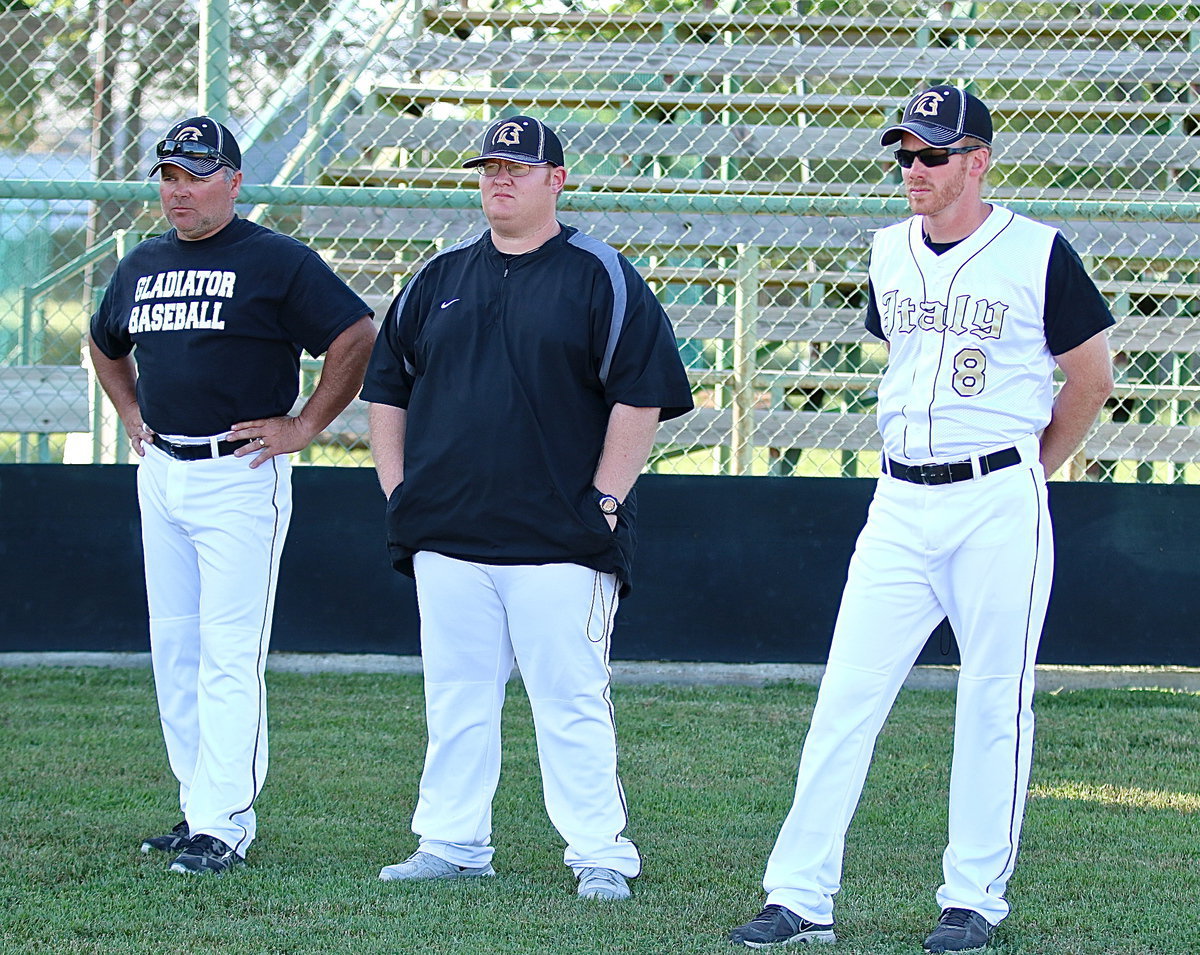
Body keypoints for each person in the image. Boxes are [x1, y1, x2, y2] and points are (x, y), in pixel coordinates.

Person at [727, 86, 1114, 951]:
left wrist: (1023, 475)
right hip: (898, 498)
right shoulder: (887, 250)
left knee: (993, 700)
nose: (915, 169)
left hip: (997, 495)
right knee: (846, 696)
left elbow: (1090, 377)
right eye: (905, 153)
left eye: (933, 153)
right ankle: (798, 896)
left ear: (978, 161)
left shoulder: (1038, 253)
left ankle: (973, 898)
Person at [360, 115, 693, 900]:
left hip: (560, 537)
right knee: (456, 695)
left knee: (571, 697)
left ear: (557, 179)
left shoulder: (600, 273)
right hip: (450, 533)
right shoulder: (438, 276)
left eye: (518, 165)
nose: (499, 178)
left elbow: (641, 396)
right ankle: (451, 841)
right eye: (489, 167)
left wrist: (605, 502)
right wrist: (398, 492)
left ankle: (601, 851)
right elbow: (386, 387)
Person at [88, 116, 376, 875]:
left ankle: (227, 822)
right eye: (169, 177)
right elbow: (103, 341)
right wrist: (128, 412)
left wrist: (307, 423)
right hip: (165, 470)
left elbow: (354, 334)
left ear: (234, 179)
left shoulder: (276, 260)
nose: (178, 191)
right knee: (175, 648)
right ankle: (197, 809)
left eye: (194, 175)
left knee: (227, 653)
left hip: (240, 471)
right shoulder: (140, 263)